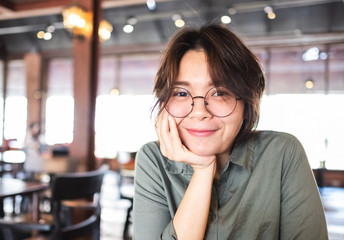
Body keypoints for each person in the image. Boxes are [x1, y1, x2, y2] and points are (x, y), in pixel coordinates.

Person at [133, 24, 328, 240]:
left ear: (247, 104)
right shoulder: (153, 159)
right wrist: (204, 169)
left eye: (219, 92)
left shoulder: (282, 153)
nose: (199, 112)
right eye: (181, 93)